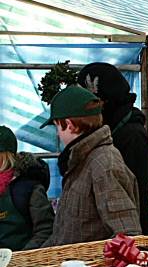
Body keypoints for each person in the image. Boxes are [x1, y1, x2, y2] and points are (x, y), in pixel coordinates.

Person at [38, 86, 141, 247]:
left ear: (70, 125)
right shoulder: (80, 160)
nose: (58, 134)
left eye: (57, 126)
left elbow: (127, 234)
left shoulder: (104, 164)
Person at [78, 63, 148, 235]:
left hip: (128, 235)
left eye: (91, 103)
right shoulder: (108, 130)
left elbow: (137, 196)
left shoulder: (132, 137)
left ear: (105, 101)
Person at [0, 126, 54, 250]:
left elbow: (45, 229)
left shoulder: (29, 187)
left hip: (22, 262)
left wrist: (23, 257)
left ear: (5, 156)